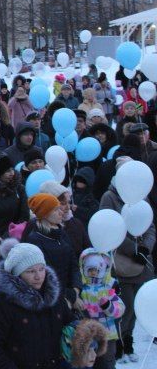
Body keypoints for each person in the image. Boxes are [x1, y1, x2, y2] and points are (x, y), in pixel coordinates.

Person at [0, 242, 73, 369]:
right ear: (17, 274)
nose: (38, 276)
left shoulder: (54, 298)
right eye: (30, 271)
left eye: (41, 269)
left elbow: (70, 325)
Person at [98, 158, 155, 362]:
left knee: (136, 308)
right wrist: (133, 249)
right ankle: (119, 344)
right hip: (120, 260)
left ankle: (128, 341)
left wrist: (146, 247)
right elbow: (110, 227)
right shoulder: (109, 197)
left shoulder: (143, 197)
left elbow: (149, 226)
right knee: (125, 306)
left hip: (141, 261)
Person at [23, 194, 80, 304]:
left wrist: (76, 290)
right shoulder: (35, 240)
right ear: (44, 214)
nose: (61, 212)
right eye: (55, 210)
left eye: (59, 208)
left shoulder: (61, 233)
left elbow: (74, 264)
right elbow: (47, 274)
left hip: (71, 294)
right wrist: (68, 297)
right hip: (53, 299)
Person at [77, 249, 125, 369]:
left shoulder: (107, 289)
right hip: (87, 334)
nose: (93, 273)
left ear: (103, 270)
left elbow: (120, 309)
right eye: (90, 270)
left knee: (107, 361)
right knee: (88, 362)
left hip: (107, 334)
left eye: (97, 270)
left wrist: (108, 306)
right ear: (84, 269)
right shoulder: (81, 289)